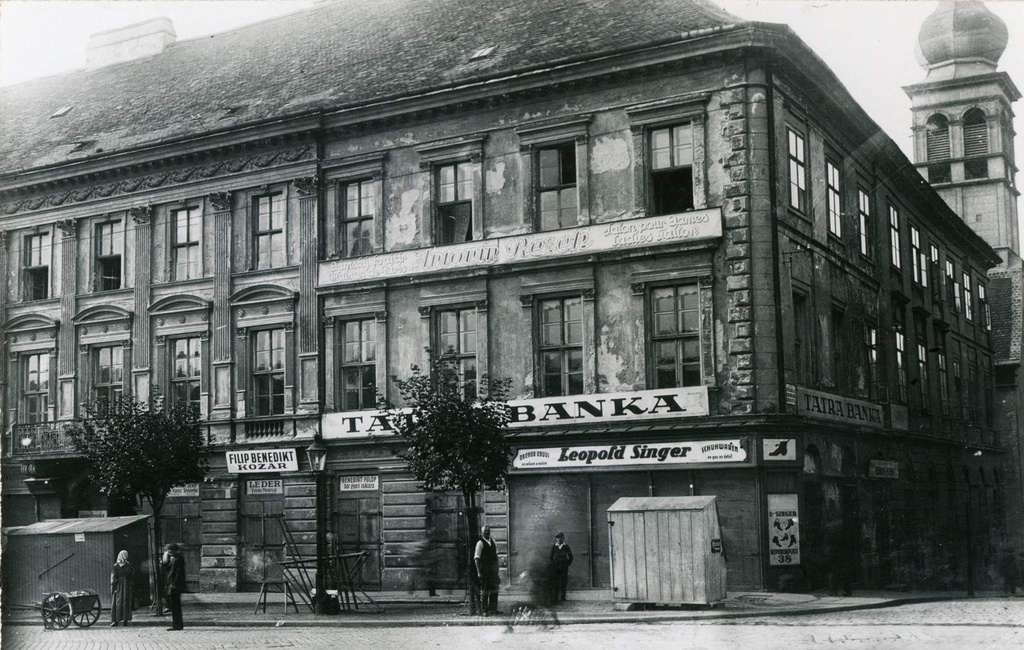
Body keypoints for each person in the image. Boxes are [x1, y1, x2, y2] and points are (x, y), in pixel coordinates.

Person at [474, 525, 500, 615]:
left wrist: (497, 567)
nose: (487, 532)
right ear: (482, 533)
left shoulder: (493, 541)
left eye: (488, 531)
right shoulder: (480, 543)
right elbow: (476, 558)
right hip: (485, 571)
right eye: (485, 531)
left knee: (494, 590)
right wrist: (478, 572)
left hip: (493, 571)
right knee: (485, 591)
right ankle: (484, 610)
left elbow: (496, 556)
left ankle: (493, 609)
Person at [161, 543, 186, 631]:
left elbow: (179, 573)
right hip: (170, 584)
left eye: (170, 551)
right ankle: (177, 625)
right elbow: (165, 570)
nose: (169, 552)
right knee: (174, 605)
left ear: (175, 551)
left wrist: (174, 584)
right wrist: (165, 561)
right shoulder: (171, 559)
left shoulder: (179, 559)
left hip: (175, 585)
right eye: (168, 551)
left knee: (175, 606)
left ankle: (177, 625)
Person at [109, 550, 134, 627]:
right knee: (125, 602)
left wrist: (113, 585)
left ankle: (116, 621)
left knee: (117, 602)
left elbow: (113, 577)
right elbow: (132, 576)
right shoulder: (129, 565)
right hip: (126, 585)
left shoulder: (116, 566)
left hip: (118, 585)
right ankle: (125, 621)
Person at [550, 532, 573, 602]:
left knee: (563, 581)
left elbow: (571, 557)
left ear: (563, 538)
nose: (558, 539)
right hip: (556, 567)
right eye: (557, 538)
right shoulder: (554, 546)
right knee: (555, 581)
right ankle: (555, 597)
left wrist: (567, 564)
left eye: (560, 538)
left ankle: (563, 597)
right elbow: (551, 557)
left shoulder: (566, 546)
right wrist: (554, 564)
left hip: (564, 567)